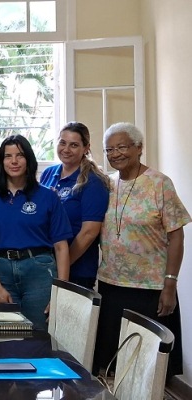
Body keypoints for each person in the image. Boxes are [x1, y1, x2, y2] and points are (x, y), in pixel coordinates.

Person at [93, 122, 190, 378]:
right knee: (113, 364)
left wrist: (170, 284)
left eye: (122, 147)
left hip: (150, 288)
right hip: (111, 284)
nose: (115, 154)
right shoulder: (106, 185)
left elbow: (176, 235)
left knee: (149, 366)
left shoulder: (159, 183)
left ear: (139, 148)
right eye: (109, 150)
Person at [0, 135, 72, 330]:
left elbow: (61, 247)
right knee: (5, 336)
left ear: (29, 160)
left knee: (40, 334)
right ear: (1, 161)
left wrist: (61, 293)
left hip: (39, 271)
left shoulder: (48, 196)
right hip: (1, 272)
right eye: (8, 156)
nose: (14, 161)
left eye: (20, 155)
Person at [39, 122, 111, 289]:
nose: (66, 149)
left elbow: (89, 232)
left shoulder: (93, 181)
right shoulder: (49, 174)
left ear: (86, 148)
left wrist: (63, 264)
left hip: (77, 269)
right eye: (62, 143)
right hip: (46, 265)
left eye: (74, 145)